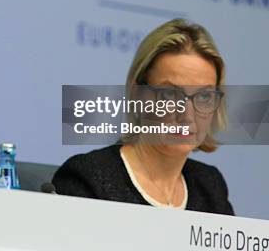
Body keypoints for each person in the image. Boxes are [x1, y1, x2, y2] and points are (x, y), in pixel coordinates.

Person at [53, 18, 234, 215]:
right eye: (169, 94)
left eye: (204, 96)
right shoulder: (89, 178)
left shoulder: (210, 186)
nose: (187, 114)